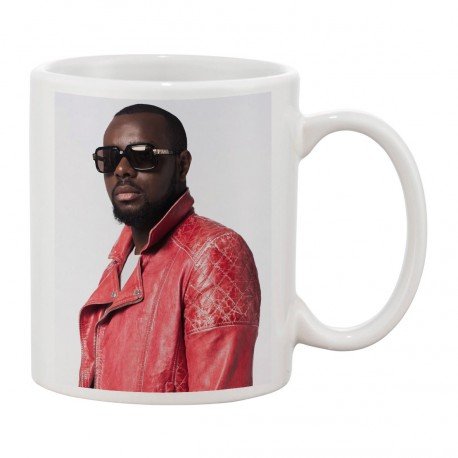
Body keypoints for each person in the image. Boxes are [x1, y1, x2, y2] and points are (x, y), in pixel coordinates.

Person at [78, 104, 261, 392]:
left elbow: (218, 406)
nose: (122, 170)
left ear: (182, 165)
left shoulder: (213, 252)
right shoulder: (118, 263)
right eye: (109, 158)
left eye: (142, 155)